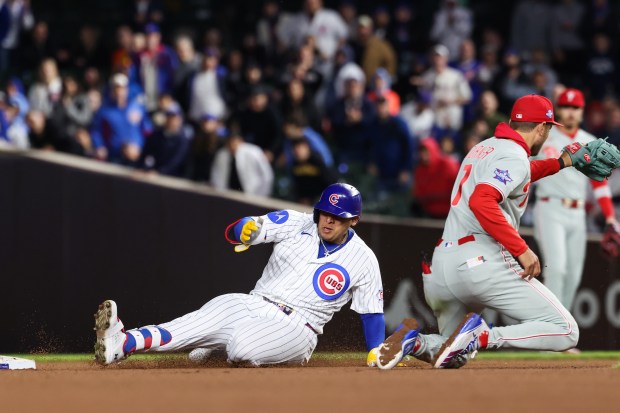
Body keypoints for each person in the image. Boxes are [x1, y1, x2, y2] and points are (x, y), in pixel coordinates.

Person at [373, 94, 589, 370]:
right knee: (566, 330)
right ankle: (483, 335)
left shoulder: (483, 148)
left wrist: (560, 163)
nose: (548, 134)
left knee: (454, 354)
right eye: (548, 128)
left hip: (441, 269)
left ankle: (414, 343)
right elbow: (482, 200)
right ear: (540, 128)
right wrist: (521, 249)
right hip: (480, 262)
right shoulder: (514, 156)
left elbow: (519, 175)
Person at [93, 183, 386, 366]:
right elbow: (244, 229)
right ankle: (124, 343)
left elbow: (372, 313)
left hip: (299, 328)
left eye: (338, 217)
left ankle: (216, 346)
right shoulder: (297, 223)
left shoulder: (364, 259)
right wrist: (244, 227)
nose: (328, 219)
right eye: (324, 212)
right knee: (194, 323)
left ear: (354, 220)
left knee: (242, 348)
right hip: (254, 302)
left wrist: (375, 350)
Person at [533, 89, 618, 330]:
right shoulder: (544, 137)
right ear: (558, 110)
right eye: (566, 107)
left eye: (575, 108)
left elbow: (599, 183)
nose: (570, 112)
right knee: (556, 269)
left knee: (573, 276)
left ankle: (561, 332)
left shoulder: (590, 141)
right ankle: (545, 330)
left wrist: (610, 218)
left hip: (577, 214)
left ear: (582, 112)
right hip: (549, 207)